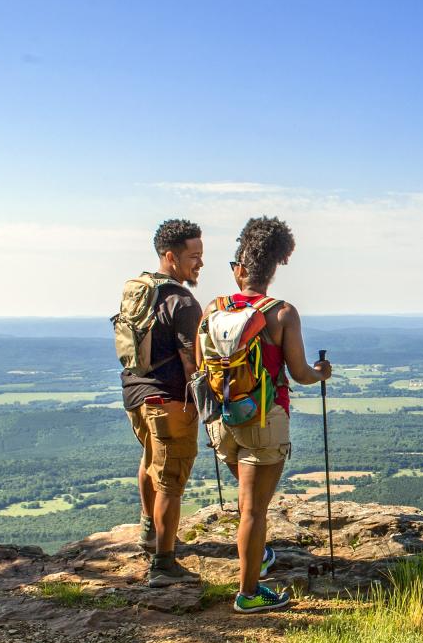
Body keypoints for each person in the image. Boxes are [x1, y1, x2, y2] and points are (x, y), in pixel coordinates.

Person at [201, 217, 331, 613]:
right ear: (273, 270)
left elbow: (200, 367)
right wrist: (322, 372)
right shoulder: (281, 313)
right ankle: (249, 593)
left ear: (240, 269)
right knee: (255, 509)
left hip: (222, 420)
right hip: (264, 420)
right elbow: (300, 374)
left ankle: (259, 557)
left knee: (246, 502)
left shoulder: (214, 308)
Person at [121, 219, 204, 588]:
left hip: (135, 395)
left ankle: (149, 531)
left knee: (150, 462)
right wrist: (206, 402)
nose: (199, 264)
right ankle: (164, 564)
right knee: (171, 479)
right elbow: (192, 363)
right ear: (170, 256)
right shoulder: (183, 301)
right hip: (169, 399)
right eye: (194, 256)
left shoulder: (141, 291)